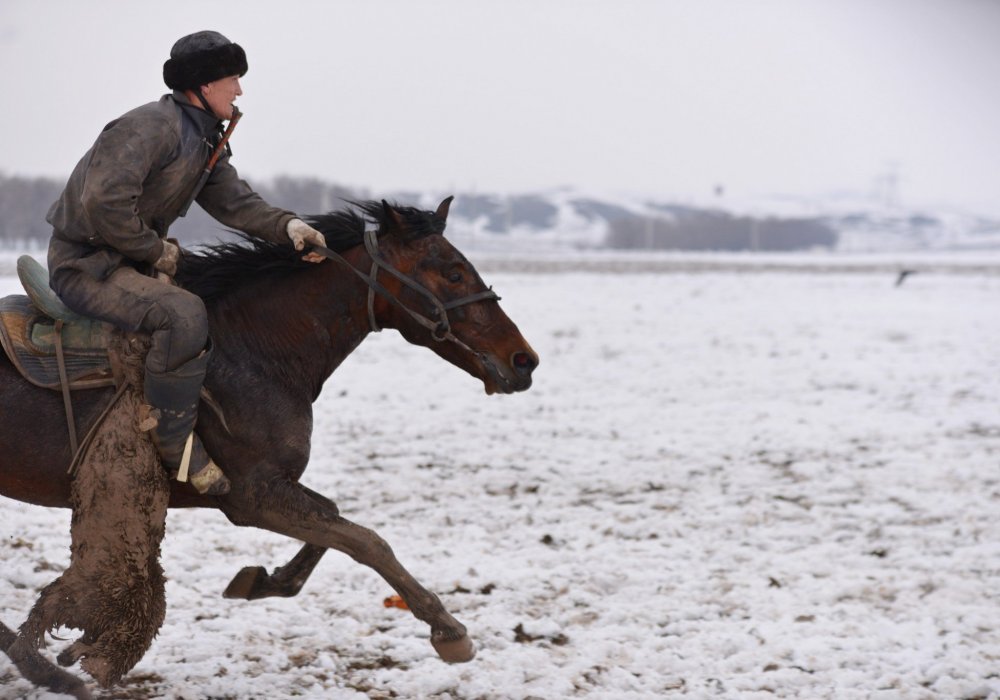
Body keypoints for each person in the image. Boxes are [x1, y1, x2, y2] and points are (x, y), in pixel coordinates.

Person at [46, 31, 328, 496]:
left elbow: (235, 202)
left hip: (129, 264)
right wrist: (155, 251)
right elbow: (103, 202)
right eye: (232, 78)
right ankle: (173, 442)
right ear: (202, 84)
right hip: (86, 267)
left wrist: (289, 227)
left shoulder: (203, 137)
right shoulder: (150, 127)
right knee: (184, 313)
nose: (239, 89)